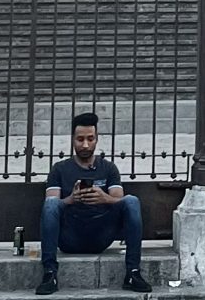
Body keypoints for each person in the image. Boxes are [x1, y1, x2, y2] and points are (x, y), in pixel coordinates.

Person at [38, 112, 148, 294]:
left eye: (90, 139)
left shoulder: (108, 168)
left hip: (101, 235)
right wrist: (71, 200)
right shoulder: (59, 169)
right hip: (69, 237)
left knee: (131, 201)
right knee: (51, 204)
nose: (85, 145)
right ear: (73, 140)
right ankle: (50, 274)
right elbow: (51, 203)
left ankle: (133, 273)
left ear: (97, 139)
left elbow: (119, 199)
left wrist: (104, 198)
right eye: (80, 139)